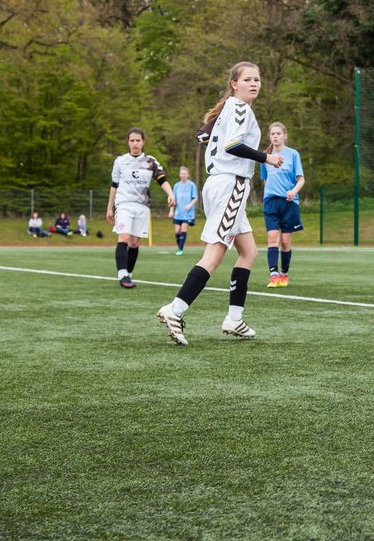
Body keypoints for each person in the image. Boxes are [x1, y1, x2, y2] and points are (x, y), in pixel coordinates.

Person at [157, 62, 284, 346]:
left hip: (220, 184)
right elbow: (231, 146)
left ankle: (234, 319)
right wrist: (267, 158)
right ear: (234, 84)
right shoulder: (239, 108)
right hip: (230, 185)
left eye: (258, 79)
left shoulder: (229, 108)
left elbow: (204, 137)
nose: (254, 83)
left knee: (249, 252)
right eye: (248, 79)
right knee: (214, 254)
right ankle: (174, 309)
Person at [106, 128, 176, 289]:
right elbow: (114, 186)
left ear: (143, 142)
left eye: (138, 140)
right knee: (123, 238)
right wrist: (110, 208)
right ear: (128, 142)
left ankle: (128, 274)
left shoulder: (151, 161)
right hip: (124, 204)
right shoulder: (120, 161)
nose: (135, 143)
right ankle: (122, 274)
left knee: (135, 243)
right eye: (132, 140)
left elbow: (162, 180)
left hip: (142, 206)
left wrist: (171, 193)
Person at [261, 122, 305, 288]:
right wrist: (268, 196)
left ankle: (284, 274)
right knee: (273, 238)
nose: (275, 136)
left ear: (284, 136)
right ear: (270, 136)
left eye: (278, 133)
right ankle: (273, 275)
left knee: (285, 242)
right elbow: (265, 180)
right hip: (271, 203)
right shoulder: (265, 157)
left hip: (289, 202)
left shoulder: (293, 154)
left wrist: (293, 191)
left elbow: (301, 179)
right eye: (273, 134)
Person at [170, 166, 199, 256]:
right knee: (177, 231)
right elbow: (173, 200)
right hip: (178, 213)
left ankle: (180, 249)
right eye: (182, 174)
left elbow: (195, 198)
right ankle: (179, 247)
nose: (183, 175)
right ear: (180, 175)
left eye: (185, 174)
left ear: (188, 175)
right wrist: (171, 211)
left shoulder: (192, 185)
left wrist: (189, 205)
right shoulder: (176, 186)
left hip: (188, 213)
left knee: (183, 229)